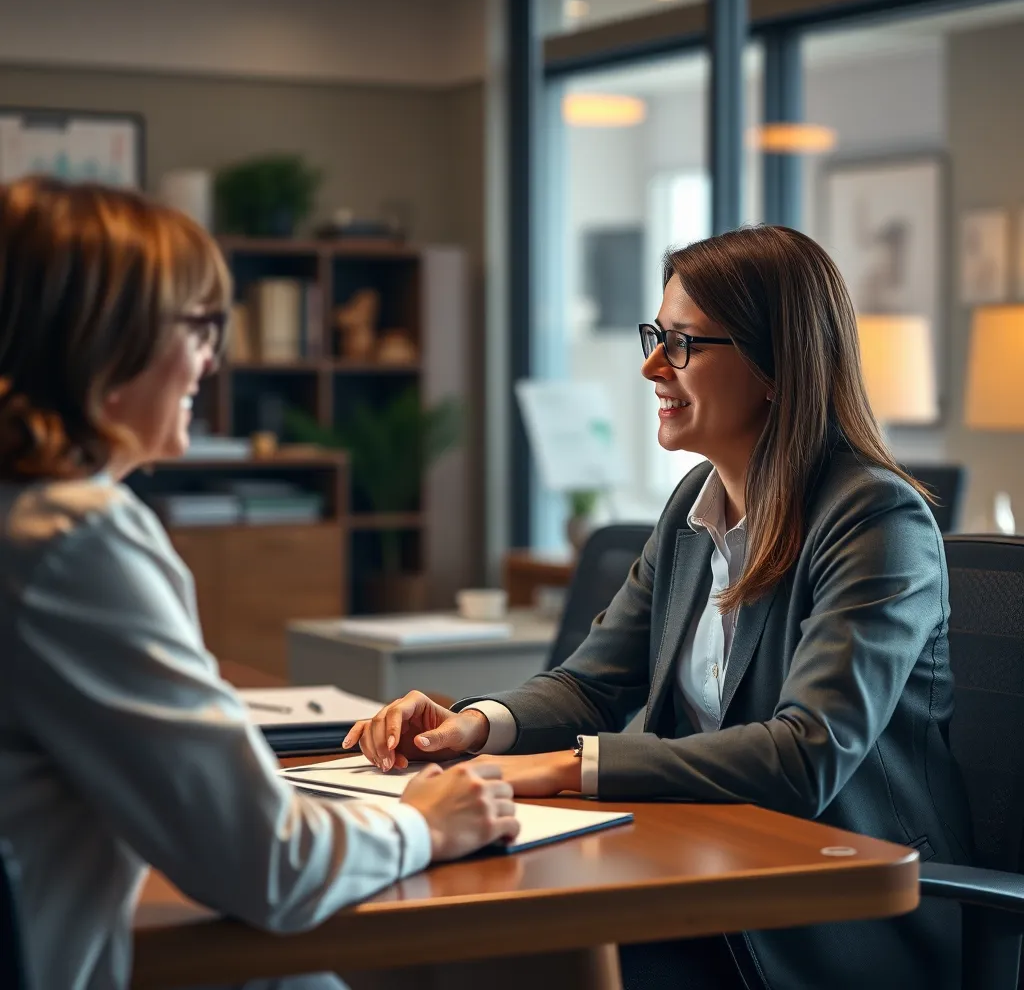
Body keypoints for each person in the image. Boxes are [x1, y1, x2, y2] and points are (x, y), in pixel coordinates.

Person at [345, 225, 974, 990]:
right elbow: (593, 682)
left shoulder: (876, 521)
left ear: (775, 364)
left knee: (513, 956)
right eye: (656, 336)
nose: (651, 367)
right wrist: (472, 728)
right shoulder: (692, 510)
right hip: (701, 864)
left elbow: (806, 753)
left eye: (680, 344)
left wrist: (566, 769)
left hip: (830, 913)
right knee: (449, 938)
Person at [0, 177, 520, 990]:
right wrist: (424, 825)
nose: (214, 357)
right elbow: (266, 863)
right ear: (108, 338)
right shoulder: (72, 538)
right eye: (200, 326)